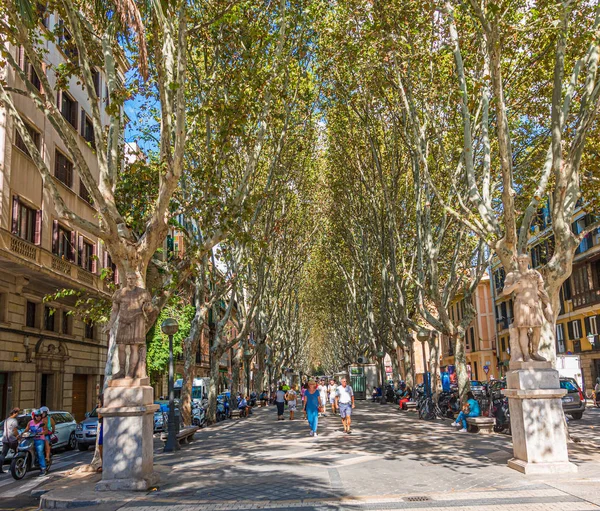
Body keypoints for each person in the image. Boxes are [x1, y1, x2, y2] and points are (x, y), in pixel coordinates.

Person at [21, 410, 47, 476]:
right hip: (31, 439)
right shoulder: (30, 422)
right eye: (37, 416)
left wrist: (42, 433)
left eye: (39, 416)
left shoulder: (42, 422)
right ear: (34, 416)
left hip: (39, 439)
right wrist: (21, 434)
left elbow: (46, 430)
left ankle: (43, 468)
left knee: (40, 453)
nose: (38, 417)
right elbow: (26, 430)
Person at [0, 407, 21, 474]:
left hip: (5, 439)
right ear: (15, 413)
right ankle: (11, 468)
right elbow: (15, 430)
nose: (18, 414)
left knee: (3, 454)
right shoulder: (14, 421)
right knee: (16, 453)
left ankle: (0, 468)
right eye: (17, 413)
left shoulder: (6, 420)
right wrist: (18, 437)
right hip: (12, 439)